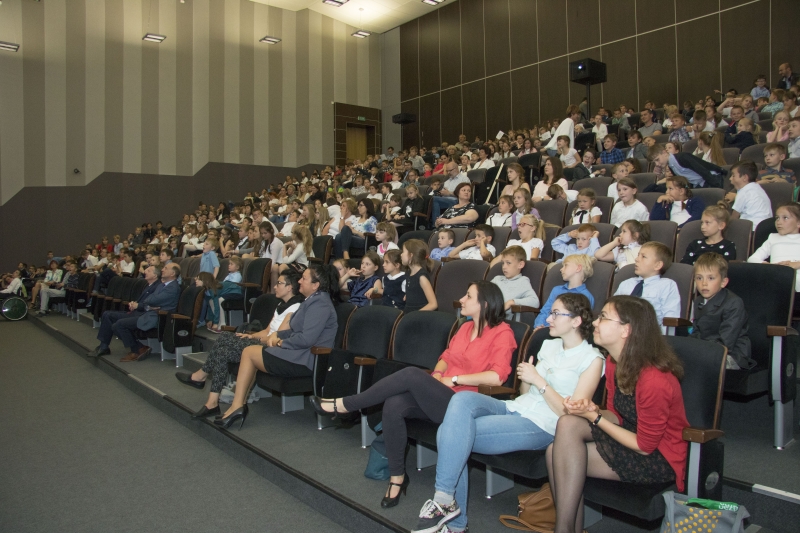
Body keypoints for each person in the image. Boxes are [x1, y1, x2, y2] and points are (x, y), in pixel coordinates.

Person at [310, 281, 516, 509]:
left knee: (410, 374)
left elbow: (497, 377)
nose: (462, 300)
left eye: (468, 296)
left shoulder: (503, 333)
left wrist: (456, 379)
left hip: (465, 405)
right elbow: (446, 357)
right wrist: (437, 374)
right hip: (443, 394)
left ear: (485, 304)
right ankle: (397, 477)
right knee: (394, 404)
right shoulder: (465, 327)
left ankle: (347, 404)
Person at [410, 293, 604, 533]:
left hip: (544, 424)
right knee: (462, 399)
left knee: (447, 434)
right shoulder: (549, 345)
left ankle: (450, 512)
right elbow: (525, 393)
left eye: (556, 314)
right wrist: (527, 379)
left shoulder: (592, 359)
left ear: (576, 321)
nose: (548, 318)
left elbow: (571, 414)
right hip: (517, 407)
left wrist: (539, 381)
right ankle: (447, 504)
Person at [546, 295, 689, 533]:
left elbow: (645, 446)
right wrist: (591, 410)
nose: (595, 322)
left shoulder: (655, 379)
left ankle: (564, 530)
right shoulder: (614, 361)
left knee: (557, 452)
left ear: (626, 330)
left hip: (656, 457)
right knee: (566, 428)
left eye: (603, 317)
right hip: (628, 437)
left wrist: (595, 418)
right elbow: (616, 415)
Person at [215, 263, 340, 429]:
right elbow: (295, 330)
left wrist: (281, 342)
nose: (299, 281)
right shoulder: (311, 301)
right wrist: (279, 335)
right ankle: (237, 406)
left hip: (307, 360)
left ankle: (237, 406)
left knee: (249, 352)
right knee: (250, 352)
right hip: (298, 354)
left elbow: (306, 339)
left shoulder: (320, 304)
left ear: (315, 285)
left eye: (304, 278)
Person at [87, 264, 181, 361]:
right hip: (148, 314)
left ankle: (137, 349)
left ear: (172, 273)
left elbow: (153, 300)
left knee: (118, 325)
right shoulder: (162, 285)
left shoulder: (172, 287)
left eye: (166, 268)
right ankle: (138, 348)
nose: (162, 270)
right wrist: (150, 304)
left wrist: (149, 303)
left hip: (156, 318)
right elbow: (150, 299)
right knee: (115, 323)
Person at [690, 253, 753, 370]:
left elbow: (726, 341)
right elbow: (696, 331)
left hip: (731, 355)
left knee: (698, 365)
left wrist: (698, 352)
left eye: (711, 278)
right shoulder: (698, 301)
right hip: (705, 350)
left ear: (723, 282)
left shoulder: (734, 303)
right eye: (699, 278)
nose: (704, 283)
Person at [614, 242, 681, 327]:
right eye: (638, 255)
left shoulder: (667, 285)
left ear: (657, 265)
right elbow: (612, 309)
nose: (636, 259)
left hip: (650, 332)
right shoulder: (626, 284)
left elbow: (670, 319)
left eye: (643, 256)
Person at [748, 203, 800, 299]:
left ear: (798, 223)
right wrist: (769, 266)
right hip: (776, 276)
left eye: (785, 218)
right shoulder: (773, 238)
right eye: (777, 218)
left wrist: (796, 264)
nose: (779, 222)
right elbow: (752, 259)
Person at [534, 254, 595, 330]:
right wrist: (539, 325)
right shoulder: (556, 290)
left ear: (578, 268)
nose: (561, 269)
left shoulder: (586, 296)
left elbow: (581, 322)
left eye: (566, 265)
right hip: (546, 328)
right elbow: (545, 311)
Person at [490, 245, 540, 319]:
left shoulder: (522, 281)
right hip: (486, 314)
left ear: (520, 264)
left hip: (501, 320)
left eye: (508, 263)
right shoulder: (497, 279)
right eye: (503, 263)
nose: (504, 267)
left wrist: (512, 302)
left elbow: (535, 302)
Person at [647, 143, 725, 189]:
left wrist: (717, 186)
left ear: (664, 152)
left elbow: (702, 170)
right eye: (654, 162)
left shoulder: (682, 157)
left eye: (657, 160)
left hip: (712, 179)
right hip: (700, 184)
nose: (657, 164)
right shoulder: (671, 166)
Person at [723, 161, 773, 230]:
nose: (730, 178)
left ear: (744, 177)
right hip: (765, 228)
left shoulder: (743, 192)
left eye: (733, 175)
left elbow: (734, 218)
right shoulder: (757, 188)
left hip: (752, 229)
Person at [401, 239, 438, 312]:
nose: (401, 254)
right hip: (409, 312)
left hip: (419, 315)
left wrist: (415, 315)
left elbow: (433, 304)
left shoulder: (422, 277)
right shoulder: (408, 272)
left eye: (403, 252)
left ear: (411, 255)